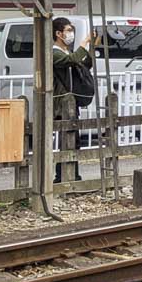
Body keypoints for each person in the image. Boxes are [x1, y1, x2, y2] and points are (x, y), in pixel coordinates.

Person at [52, 17, 92, 183]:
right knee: (64, 140)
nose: (71, 34)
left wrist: (92, 46)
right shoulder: (54, 53)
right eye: (68, 31)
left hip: (72, 102)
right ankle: (61, 177)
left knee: (74, 140)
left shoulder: (68, 52)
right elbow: (73, 60)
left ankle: (73, 175)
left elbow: (82, 65)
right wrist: (84, 43)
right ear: (58, 33)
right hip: (61, 102)